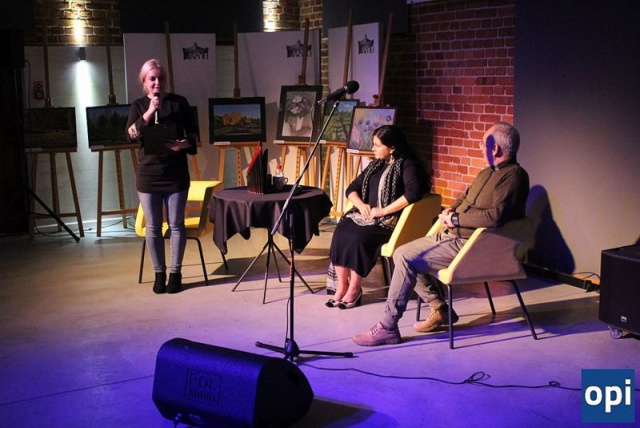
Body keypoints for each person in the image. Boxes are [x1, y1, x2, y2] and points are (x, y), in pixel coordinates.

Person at [352, 121, 529, 346]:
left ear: (494, 148)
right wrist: (450, 211)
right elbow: (465, 198)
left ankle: (387, 327)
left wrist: (455, 219)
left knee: (406, 258)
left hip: (473, 245)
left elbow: (495, 217)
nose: (480, 147)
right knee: (401, 252)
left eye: (483, 143)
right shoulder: (487, 172)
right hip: (455, 235)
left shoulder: (513, 176)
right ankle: (441, 309)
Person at [326, 125, 430, 309]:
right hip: (366, 215)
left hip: (389, 221)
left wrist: (383, 211)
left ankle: (354, 289)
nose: (373, 149)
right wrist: (361, 205)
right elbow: (351, 189)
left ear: (392, 148)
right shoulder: (376, 164)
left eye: (377, 145)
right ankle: (341, 287)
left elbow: (413, 193)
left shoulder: (407, 164)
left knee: (358, 237)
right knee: (341, 231)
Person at [126, 59, 198, 294]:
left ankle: (175, 273)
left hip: (175, 174)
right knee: (153, 227)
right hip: (149, 176)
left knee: (176, 225)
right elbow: (131, 134)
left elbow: (195, 136)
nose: (158, 82)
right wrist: (149, 112)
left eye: (161, 78)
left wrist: (183, 144)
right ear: (144, 82)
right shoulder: (138, 105)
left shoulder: (180, 103)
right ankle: (159, 274)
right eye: (153, 78)